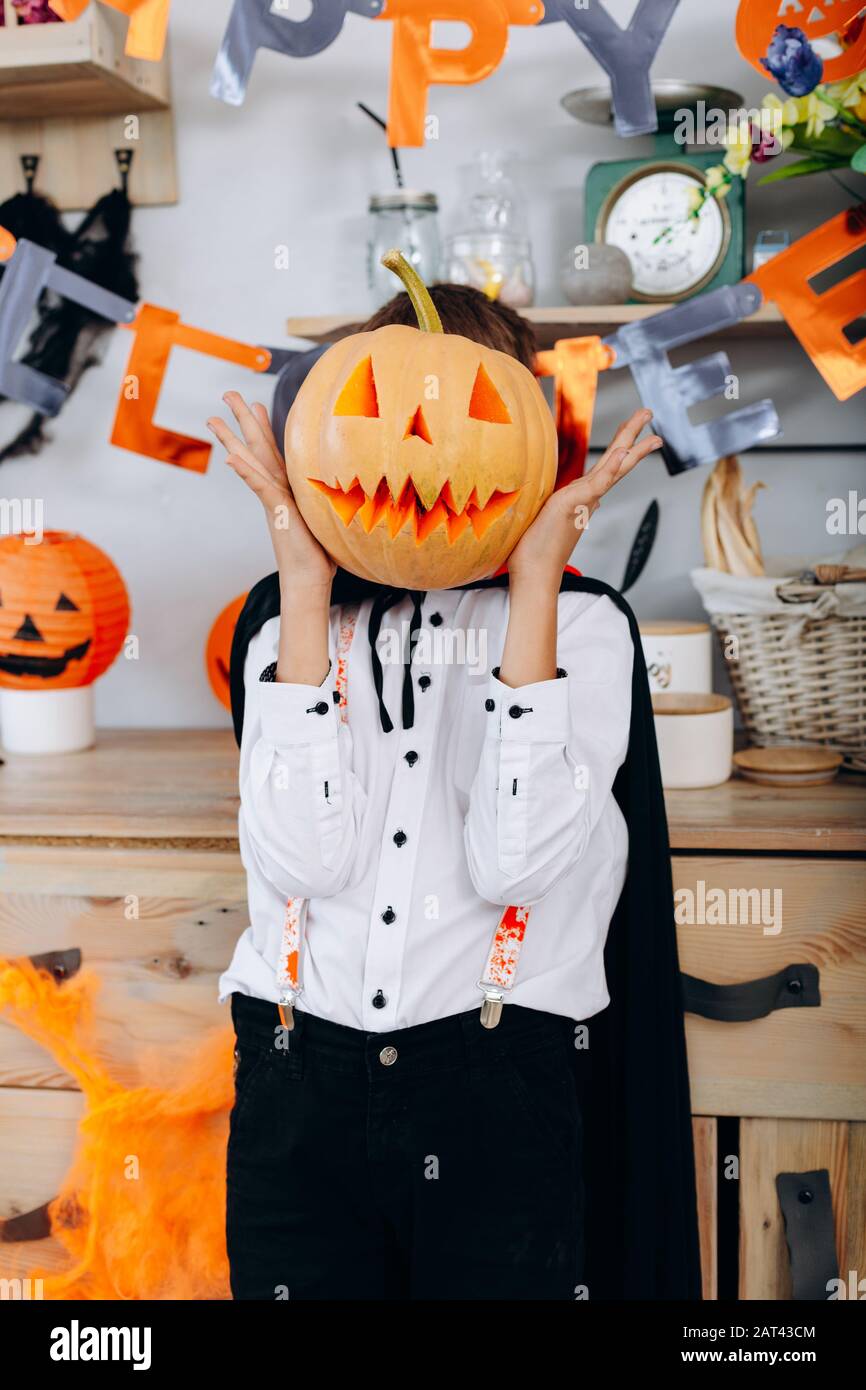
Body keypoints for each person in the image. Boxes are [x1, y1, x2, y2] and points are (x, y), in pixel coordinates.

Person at [207, 284, 663, 1302]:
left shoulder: (584, 629)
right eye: (381, 407)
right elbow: (302, 860)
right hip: (294, 1077)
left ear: (530, 441)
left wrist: (535, 582)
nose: (421, 446)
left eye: (471, 413)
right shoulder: (283, 625)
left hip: (495, 1087)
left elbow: (516, 865)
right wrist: (304, 582)